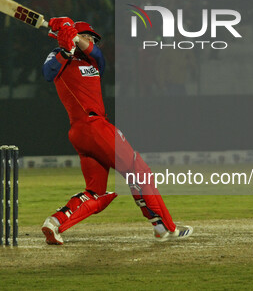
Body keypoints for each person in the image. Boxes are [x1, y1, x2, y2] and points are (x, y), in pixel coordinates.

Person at [40, 17, 193, 245]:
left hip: (86, 132)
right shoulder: (59, 57)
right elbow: (47, 73)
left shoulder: (94, 62)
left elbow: (97, 54)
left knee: (96, 193)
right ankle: (165, 228)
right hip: (91, 127)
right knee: (139, 171)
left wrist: (73, 38)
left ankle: (55, 223)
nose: (92, 42)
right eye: (89, 37)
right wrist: (65, 49)